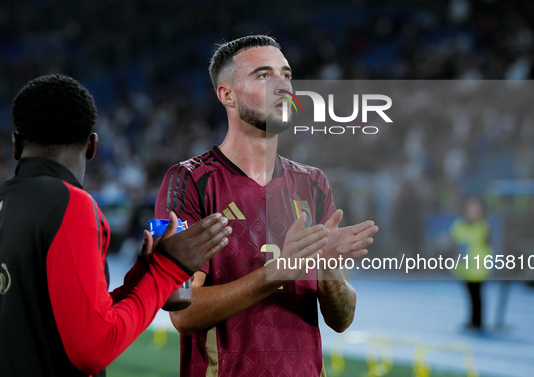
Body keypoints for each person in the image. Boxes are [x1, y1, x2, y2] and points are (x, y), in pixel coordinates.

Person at [0, 74, 231, 377]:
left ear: (15, 145)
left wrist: (143, 277)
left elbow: (61, 319)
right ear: (92, 146)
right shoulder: (70, 203)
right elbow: (92, 349)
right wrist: (169, 269)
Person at [155, 35, 379, 376]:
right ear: (227, 94)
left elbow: (342, 320)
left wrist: (327, 269)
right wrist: (275, 273)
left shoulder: (313, 183)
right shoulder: (189, 181)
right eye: (264, 75)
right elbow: (182, 313)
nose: (282, 86)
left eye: (286, 75)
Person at [450, 197, 492, 331]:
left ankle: (478, 322)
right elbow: (455, 245)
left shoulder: (483, 226)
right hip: (465, 268)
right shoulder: (459, 225)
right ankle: (472, 320)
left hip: (479, 268)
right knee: (470, 295)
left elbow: (488, 245)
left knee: (477, 295)